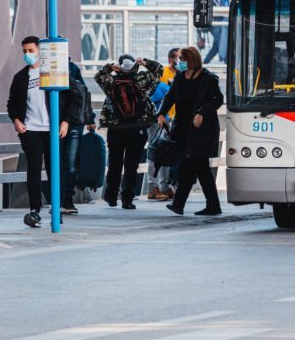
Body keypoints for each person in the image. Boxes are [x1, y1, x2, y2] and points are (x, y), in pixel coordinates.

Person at [6, 36, 74, 228]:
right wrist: (16, 121)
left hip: (53, 130)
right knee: (34, 168)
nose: (27, 54)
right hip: (31, 130)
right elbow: (12, 103)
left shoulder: (53, 73)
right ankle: (34, 209)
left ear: (39, 51)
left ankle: (57, 207)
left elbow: (73, 99)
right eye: (24, 51)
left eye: (31, 50)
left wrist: (66, 122)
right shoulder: (20, 77)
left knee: (55, 169)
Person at [161, 47, 224, 216]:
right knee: (197, 168)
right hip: (183, 128)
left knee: (194, 166)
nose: (179, 61)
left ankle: (181, 203)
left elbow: (218, 99)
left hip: (201, 130)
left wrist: (201, 112)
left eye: (182, 58)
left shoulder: (208, 78)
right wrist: (161, 113)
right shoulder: (180, 77)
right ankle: (207, 205)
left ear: (192, 60)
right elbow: (170, 96)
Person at [95, 54, 163, 209]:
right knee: (132, 165)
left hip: (116, 128)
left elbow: (98, 75)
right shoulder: (142, 80)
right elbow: (159, 70)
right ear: (134, 65)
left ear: (119, 66)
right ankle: (127, 199)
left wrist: (109, 67)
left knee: (114, 164)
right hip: (137, 128)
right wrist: (144, 62)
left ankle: (111, 196)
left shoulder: (110, 82)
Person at [146, 48, 181, 201]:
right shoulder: (162, 75)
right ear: (170, 60)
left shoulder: (182, 75)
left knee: (166, 153)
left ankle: (164, 187)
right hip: (160, 120)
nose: (181, 62)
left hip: (173, 119)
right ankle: (153, 187)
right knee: (156, 152)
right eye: (178, 59)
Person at [60, 60, 93, 215]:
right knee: (66, 163)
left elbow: (82, 93)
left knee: (68, 163)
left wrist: (90, 117)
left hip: (72, 122)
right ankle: (63, 200)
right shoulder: (42, 69)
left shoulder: (71, 68)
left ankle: (65, 199)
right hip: (64, 123)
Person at [204, 0, 230, 64]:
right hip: (216, 25)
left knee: (216, 47)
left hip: (224, 26)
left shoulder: (228, 0)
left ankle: (205, 62)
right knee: (221, 43)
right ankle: (228, 63)